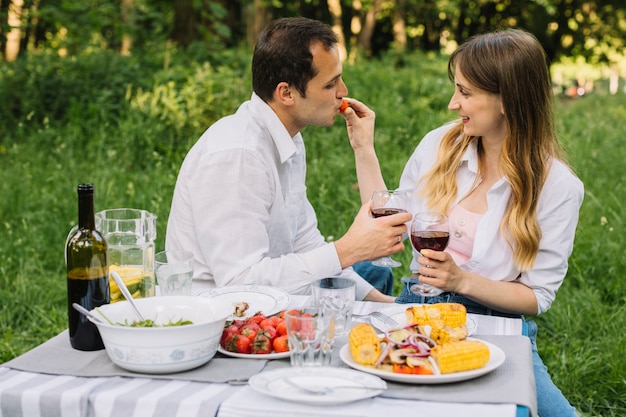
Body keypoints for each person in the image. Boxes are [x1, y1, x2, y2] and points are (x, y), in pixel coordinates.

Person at [347, 29, 582, 416]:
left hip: (498, 327)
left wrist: (462, 281)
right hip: (417, 309)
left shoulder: (558, 187)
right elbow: (390, 221)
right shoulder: (440, 145)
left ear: (508, 98)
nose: (454, 103)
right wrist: (363, 148)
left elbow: (537, 297)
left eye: (466, 92)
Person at [165, 17, 410, 302]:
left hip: (280, 294)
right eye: (331, 84)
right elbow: (240, 285)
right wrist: (349, 250)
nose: (343, 92)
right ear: (286, 93)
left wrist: (388, 307)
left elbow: (305, 242)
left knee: (374, 277)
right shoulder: (238, 155)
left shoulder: (287, 138)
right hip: (228, 320)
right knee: (364, 271)